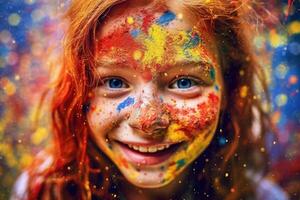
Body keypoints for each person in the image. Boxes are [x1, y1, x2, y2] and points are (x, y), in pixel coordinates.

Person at [11, 0, 288, 199]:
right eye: (114, 82)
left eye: (184, 82)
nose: (147, 121)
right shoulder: (41, 192)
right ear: (79, 91)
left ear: (228, 88)